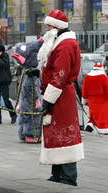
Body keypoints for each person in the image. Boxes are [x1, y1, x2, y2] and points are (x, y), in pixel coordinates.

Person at [37, 10, 84, 186]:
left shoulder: (65, 45)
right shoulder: (58, 42)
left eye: (49, 26)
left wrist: (48, 99)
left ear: (57, 27)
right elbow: (53, 68)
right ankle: (57, 174)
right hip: (57, 93)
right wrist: (39, 72)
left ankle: (68, 178)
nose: (46, 29)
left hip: (60, 94)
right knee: (55, 133)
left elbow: (60, 75)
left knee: (65, 135)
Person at [0, 45, 17, 124]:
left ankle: (13, 115)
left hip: (4, 82)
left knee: (6, 100)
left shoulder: (5, 57)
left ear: (1, 51)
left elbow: (2, 65)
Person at [82, 63, 108, 133]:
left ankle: (89, 127)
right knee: (103, 117)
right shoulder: (103, 77)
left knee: (93, 116)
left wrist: (85, 100)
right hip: (102, 101)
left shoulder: (87, 77)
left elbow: (84, 90)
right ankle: (104, 130)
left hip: (91, 101)